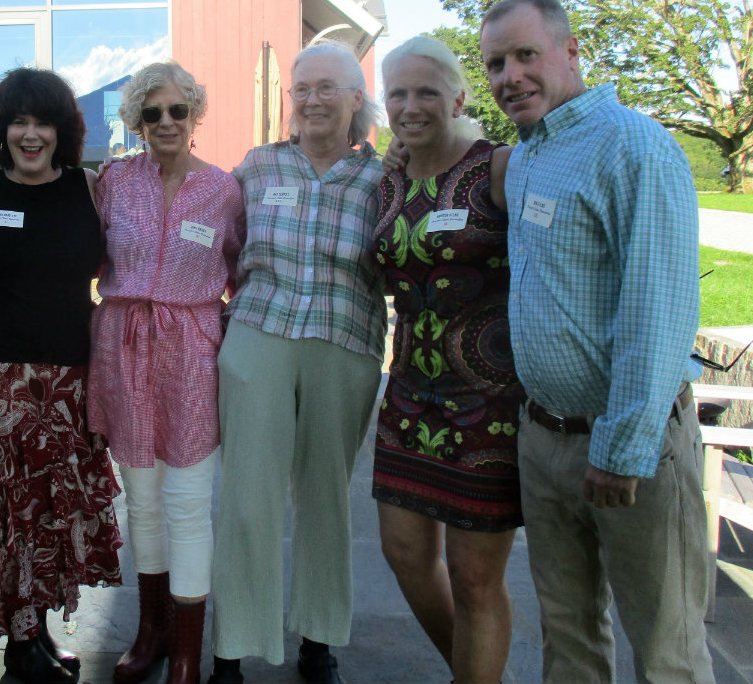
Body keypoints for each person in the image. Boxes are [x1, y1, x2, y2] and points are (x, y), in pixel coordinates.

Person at [479, 0, 712, 682]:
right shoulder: (523, 158)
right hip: (545, 439)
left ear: (571, 52)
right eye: (496, 63)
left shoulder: (633, 146)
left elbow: (660, 310)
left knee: (667, 651)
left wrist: (622, 447)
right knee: (570, 637)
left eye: (526, 55)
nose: (510, 76)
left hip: (627, 446)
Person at [209, 40, 386, 684]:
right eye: (302, 88)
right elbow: (216, 238)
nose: (311, 99)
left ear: (356, 99)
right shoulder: (258, 167)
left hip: (345, 341)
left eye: (327, 88)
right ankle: (231, 646)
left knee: (324, 497)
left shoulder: (382, 177)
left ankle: (318, 639)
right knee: (247, 496)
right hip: (260, 331)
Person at [0, 67, 122, 684]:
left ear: (62, 131)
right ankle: (19, 654)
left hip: (68, 383)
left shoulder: (91, 188)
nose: (30, 134)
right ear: (0, 130)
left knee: (48, 511)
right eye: (18, 120)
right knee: (4, 513)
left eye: (42, 121)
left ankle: (36, 632)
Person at [373, 36, 524, 684]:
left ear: (459, 97)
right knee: (406, 557)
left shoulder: (500, 168)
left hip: (488, 406)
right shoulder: (390, 177)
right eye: (398, 93)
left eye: (426, 91)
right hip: (406, 395)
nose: (411, 105)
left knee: (473, 579)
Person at [87, 61, 245, 684]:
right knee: (143, 503)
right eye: (152, 113)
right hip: (123, 348)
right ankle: (148, 631)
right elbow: (84, 253)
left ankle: (186, 650)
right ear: (136, 121)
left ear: (195, 113)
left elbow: (243, 268)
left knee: (186, 503)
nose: (166, 122)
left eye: (178, 110)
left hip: (191, 351)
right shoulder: (113, 183)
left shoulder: (224, 190)